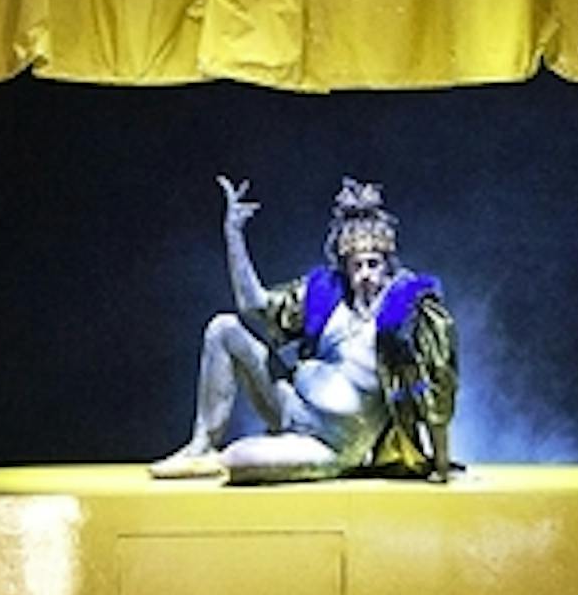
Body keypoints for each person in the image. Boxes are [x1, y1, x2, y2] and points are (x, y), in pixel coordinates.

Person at [149, 176, 458, 485]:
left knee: (237, 460)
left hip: (332, 443)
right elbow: (254, 306)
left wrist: (440, 466)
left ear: (387, 265)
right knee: (224, 328)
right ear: (345, 268)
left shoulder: (408, 314)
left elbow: (438, 387)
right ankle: (201, 445)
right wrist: (233, 234)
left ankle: (232, 458)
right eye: (357, 266)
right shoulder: (324, 296)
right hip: (288, 402)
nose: (365, 275)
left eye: (373, 264)